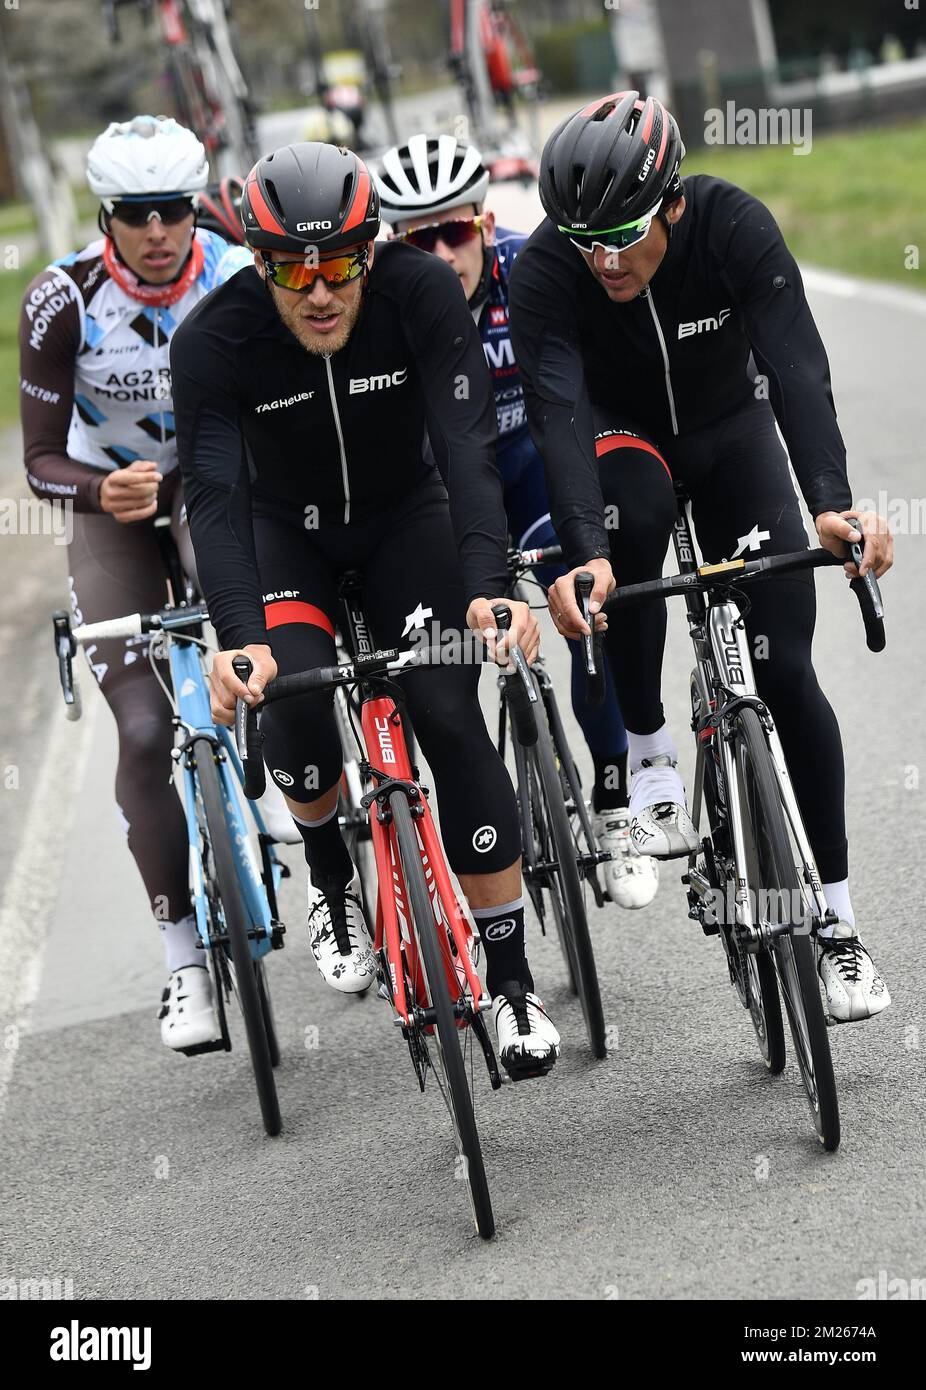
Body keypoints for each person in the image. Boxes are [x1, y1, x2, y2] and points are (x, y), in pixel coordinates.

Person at [170, 141, 561, 1078]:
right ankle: (332, 875)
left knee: (448, 715)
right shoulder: (212, 342)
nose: (319, 292)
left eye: (340, 264)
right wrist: (239, 642)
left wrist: (487, 584)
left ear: (371, 248)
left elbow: (468, 452)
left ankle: (511, 985)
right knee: (291, 699)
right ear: (258, 263)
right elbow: (216, 502)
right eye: (292, 270)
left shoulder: (421, 292)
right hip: (283, 537)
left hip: (405, 518)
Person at [508, 91, 892, 1022]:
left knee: (788, 674)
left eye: (623, 232)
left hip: (730, 431)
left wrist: (833, 504)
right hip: (620, 436)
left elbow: (798, 365)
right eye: (581, 236)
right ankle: (648, 761)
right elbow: (558, 413)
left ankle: (837, 929)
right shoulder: (551, 270)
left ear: (672, 201)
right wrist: (586, 553)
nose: (602, 258)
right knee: (628, 523)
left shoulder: (732, 226)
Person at [375, 133, 659, 911]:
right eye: (419, 237)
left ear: (483, 222)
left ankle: (611, 805)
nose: (441, 252)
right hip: (444, 488)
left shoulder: (526, 274)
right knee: (437, 655)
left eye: (455, 231)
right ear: (394, 244)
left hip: (531, 462)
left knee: (582, 604)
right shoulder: (387, 306)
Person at [19, 114, 253, 1052]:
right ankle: (184, 964)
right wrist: (95, 487)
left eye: (173, 210)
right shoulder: (60, 300)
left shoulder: (236, 274)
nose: (157, 232)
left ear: (195, 206)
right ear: (105, 214)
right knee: (148, 727)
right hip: (102, 505)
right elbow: (37, 460)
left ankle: (324, 848)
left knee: (265, 648)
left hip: (207, 488)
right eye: (133, 214)